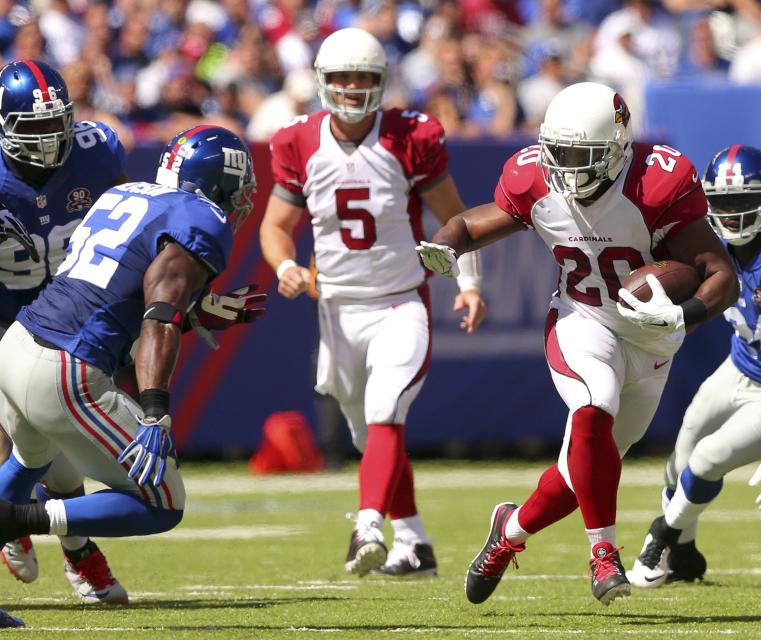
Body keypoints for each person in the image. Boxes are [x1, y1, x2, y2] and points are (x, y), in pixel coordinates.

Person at [419, 81, 739, 605]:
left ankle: (510, 530)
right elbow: (472, 223)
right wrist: (447, 245)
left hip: (652, 337)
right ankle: (603, 554)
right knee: (593, 407)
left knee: (585, 469)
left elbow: (719, 273)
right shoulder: (533, 178)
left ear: (616, 149)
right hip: (582, 317)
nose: (566, 167)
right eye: (558, 153)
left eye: (581, 155)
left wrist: (683, 313)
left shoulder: (658, 183)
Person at [259, 27, 487, 579]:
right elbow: (275, 226)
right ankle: (415, 543)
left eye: (364, 77)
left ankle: (367, 526)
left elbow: (455, 220)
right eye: (341, 77)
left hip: (399, 302)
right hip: (336, 310)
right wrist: (286, 266)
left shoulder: (410, 137)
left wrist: (470, 281)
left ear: (383, 81)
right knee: (370, 435)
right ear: (321, 82)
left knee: (386, 410)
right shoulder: (297, 142)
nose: (353, 88)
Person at [0, 126, 260, 583]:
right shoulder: (203, 217)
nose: (239, 203)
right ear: (218, 184)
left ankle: (34, 527)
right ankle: (24, 522)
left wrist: (196, 307)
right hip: (64, 364)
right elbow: (159, 315)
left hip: (18, 342)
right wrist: (156, 411)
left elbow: (120, 281)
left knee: (27, 461)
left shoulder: (125, 194)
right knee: (163, 501)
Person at [626, 145, 761, 588]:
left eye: (744, 201)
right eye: (723, 203)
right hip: (739, 365)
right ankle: (685, 558)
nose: (733, 214)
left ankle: (660, 538)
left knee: (705, 460)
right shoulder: (706, 243)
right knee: (678, 461)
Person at [0, 59, 130, 604]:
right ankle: (77, 550)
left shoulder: (98, 152)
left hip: (74, 315)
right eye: (34, 129)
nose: (50, 141)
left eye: (57, 125)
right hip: (7, 312)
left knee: (59, 442)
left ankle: (26, 520)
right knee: (22, 432)